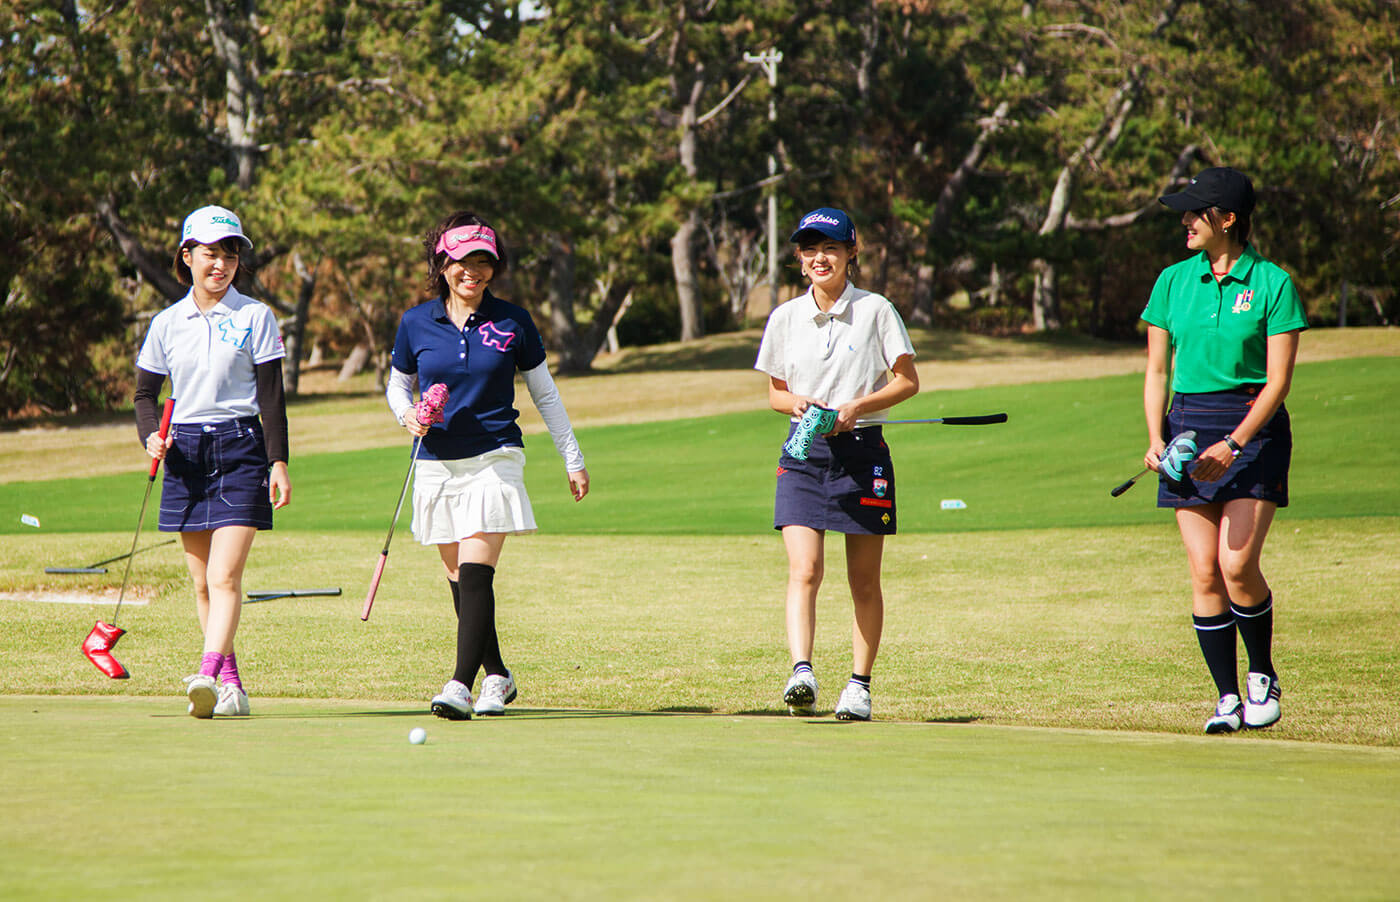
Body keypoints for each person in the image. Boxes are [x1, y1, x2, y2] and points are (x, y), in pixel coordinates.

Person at [387, 211, 589, 720]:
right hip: (435, 460)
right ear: (442, 265)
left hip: (496, 456)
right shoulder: (416, 322)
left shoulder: (513, 321)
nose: (472, 272)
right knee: (461, 581)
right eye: (461, 262)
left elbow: (545, 394)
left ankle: (460, 684)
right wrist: (406, 413)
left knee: (476, 574)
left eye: (483, 262)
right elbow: (397, 384)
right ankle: (496, 674)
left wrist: (573, 457)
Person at [1141, 167, 1308, 734]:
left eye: (1196, 212)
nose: (1186, 221)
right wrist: (1156, 440)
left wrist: (1234, 444)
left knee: (1237, 565)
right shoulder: (1171, 281)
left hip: (1252, 432)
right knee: (1204, 571)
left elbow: (1278, 381)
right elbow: (1157, 370)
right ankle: (1227, 699)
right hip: (1187, 428)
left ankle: (1262, 673)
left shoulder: (1272, 284)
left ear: (1228, 218)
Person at [754, 207, 919, 721]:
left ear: (852, 252)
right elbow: (775, 394)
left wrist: (858, 407)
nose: (818, 257)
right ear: (800, 259)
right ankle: (801, 671)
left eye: (829, 247)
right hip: (804, 451)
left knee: (864, 581)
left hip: (863, 450)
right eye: (808, 249)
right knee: (804, 569)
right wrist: (800, 403)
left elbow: (907, 381)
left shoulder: (876, 310)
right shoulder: (785, 317)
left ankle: (859, 686)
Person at [135, 204, 292, 719]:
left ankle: (205, 670)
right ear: (187, 257)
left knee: (225, 576)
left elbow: (272, 397)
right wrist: (149, 439)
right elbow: (144, 394)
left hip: (240, 448)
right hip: (183, 454)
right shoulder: (166, 323)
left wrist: (278, 462)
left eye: (229, 255)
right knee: (202, 583)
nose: (221, 264)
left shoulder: (255, 316)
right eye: (210, 254)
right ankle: (231, 688)